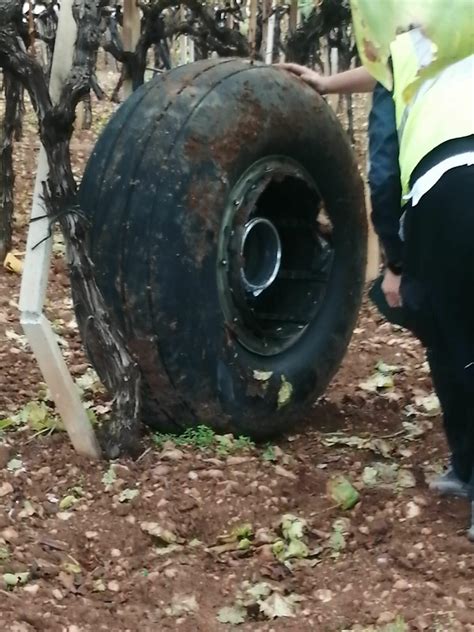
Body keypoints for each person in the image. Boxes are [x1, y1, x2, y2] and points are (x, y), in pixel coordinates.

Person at [279, 19, 474, 533]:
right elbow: (385, 67)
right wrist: (328, 82)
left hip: (445, 184)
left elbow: (384, 166)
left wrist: (393, 261)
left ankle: (470, 469)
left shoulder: (411, 39)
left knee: (451, 334)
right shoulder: (458, 25)